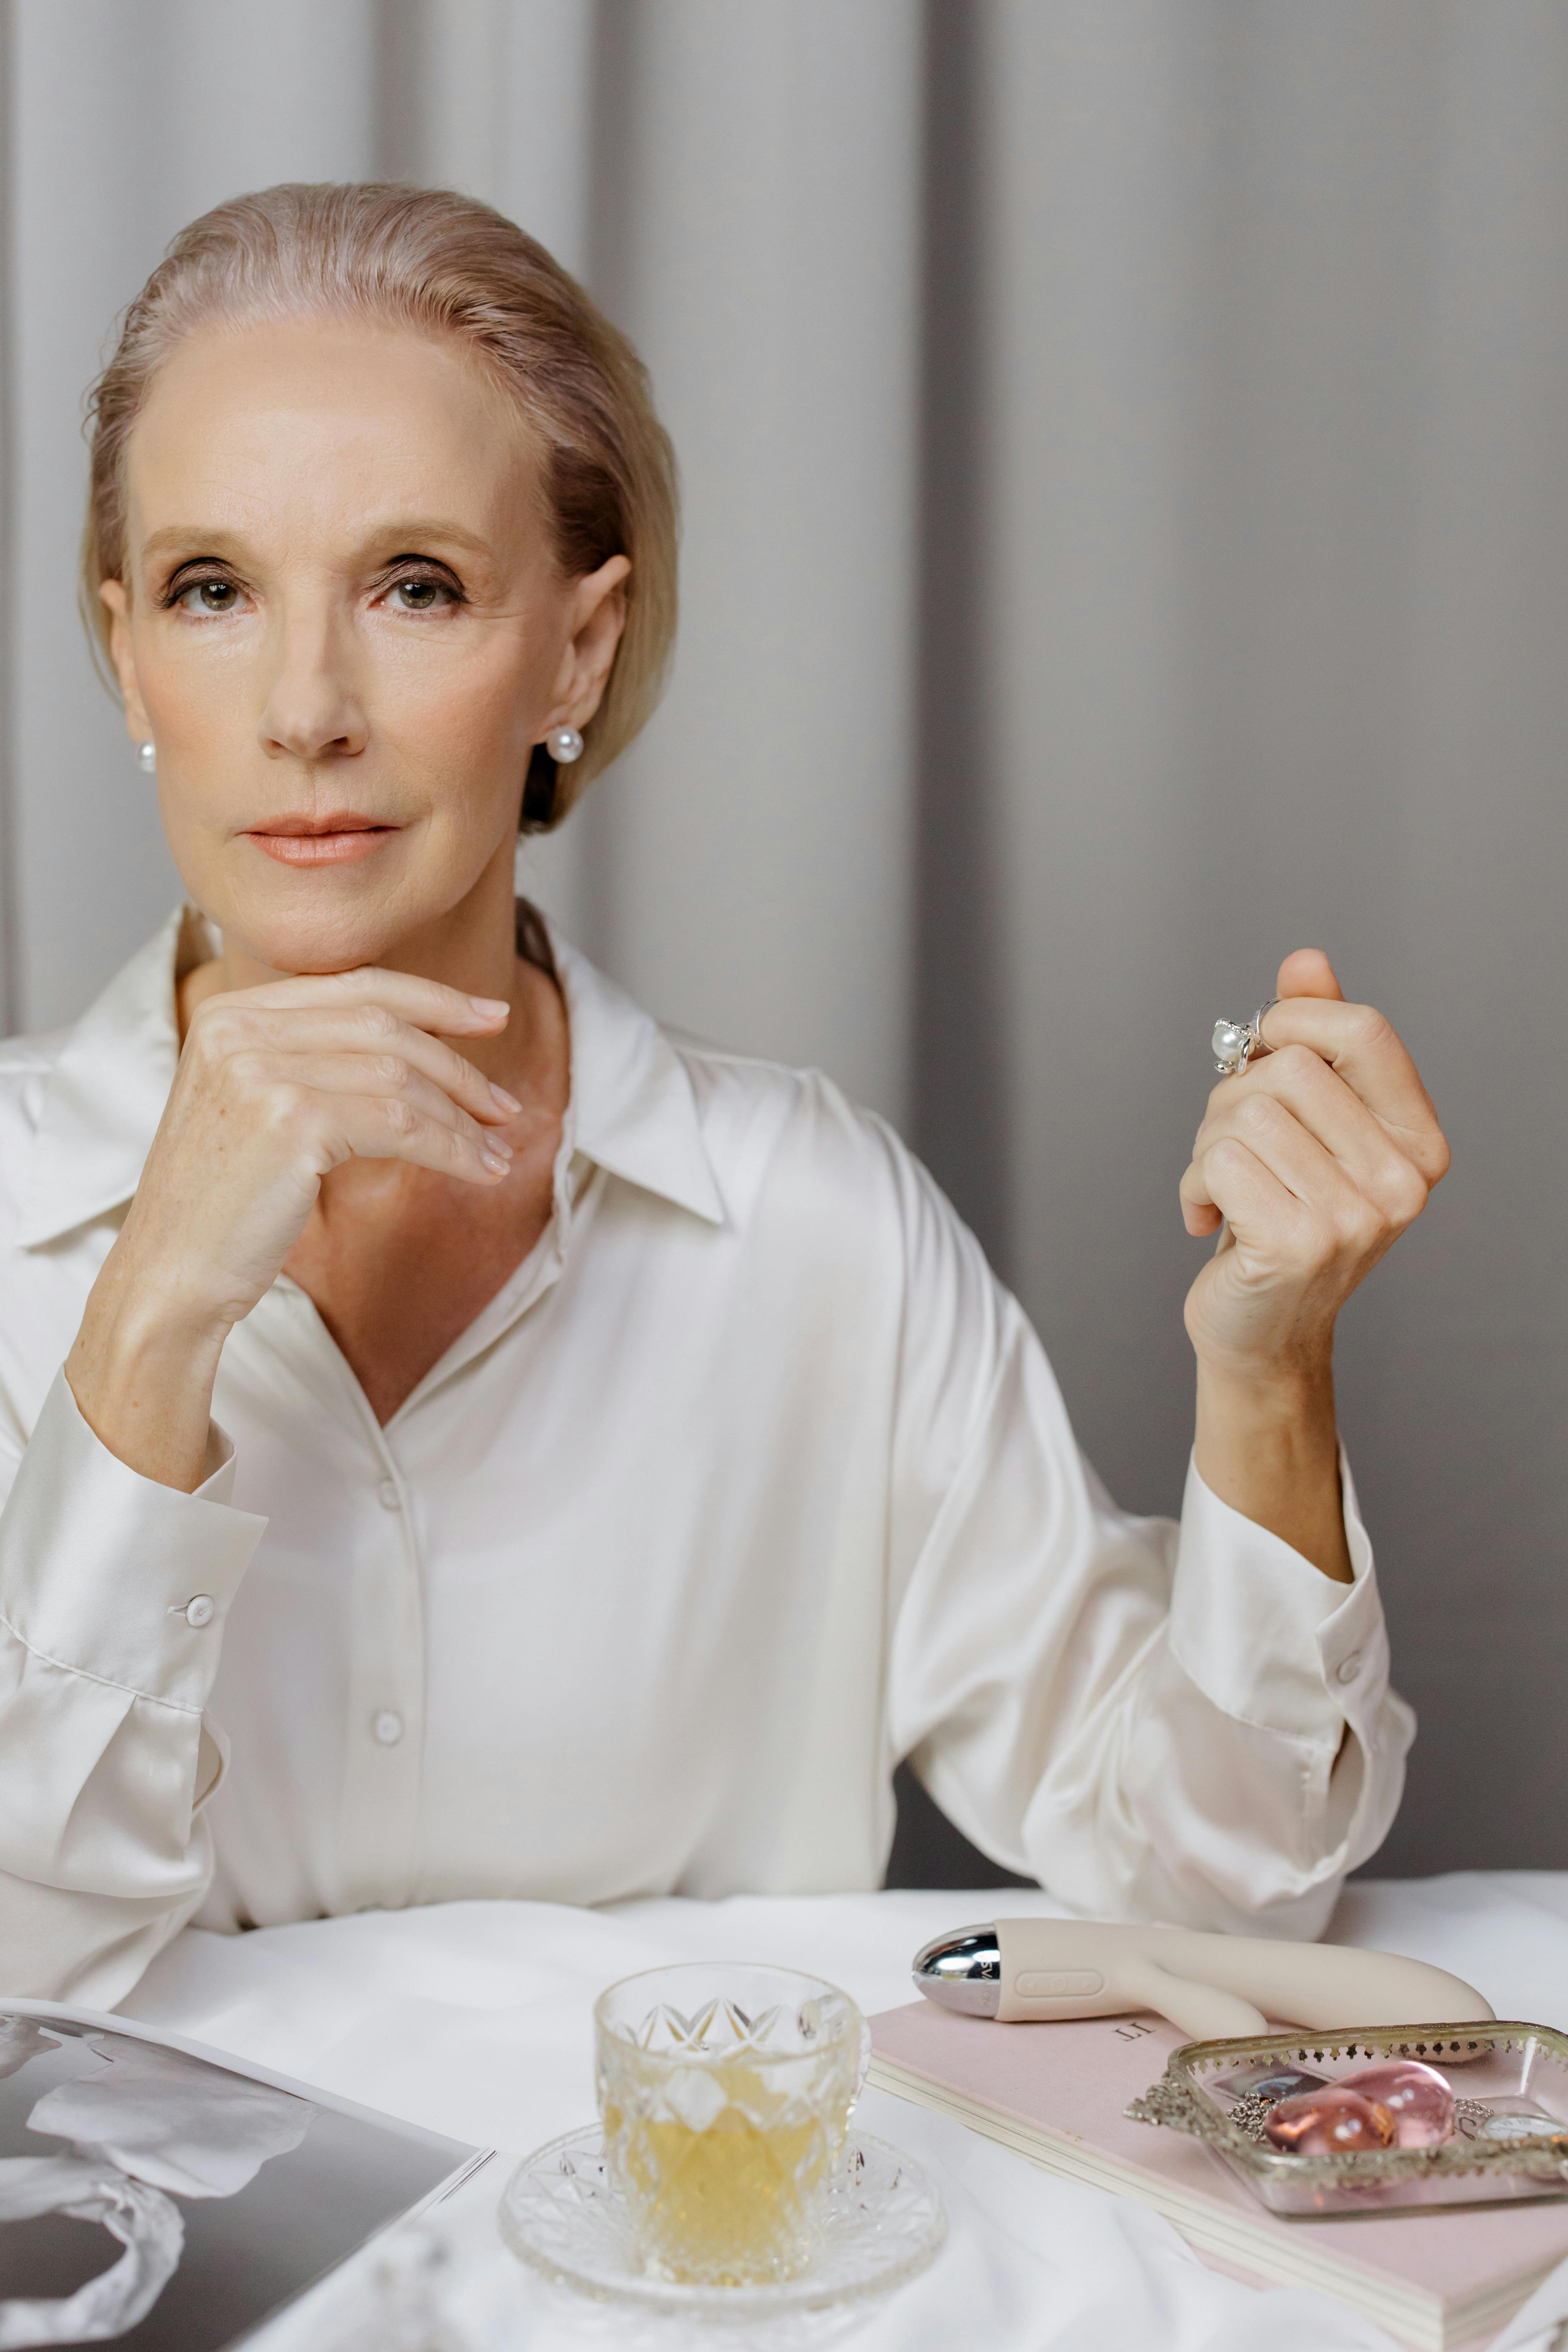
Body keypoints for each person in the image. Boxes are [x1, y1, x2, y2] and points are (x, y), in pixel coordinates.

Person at [0, 185, 1447, 2007]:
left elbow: (1231, 1896)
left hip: (700, 2278)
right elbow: (20, 1978)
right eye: (217, 591)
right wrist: (149, 1319)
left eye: (416, 586)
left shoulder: (814, 1223)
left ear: (577, 654)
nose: (307, 706)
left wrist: (1268, 1369)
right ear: (129, 649)